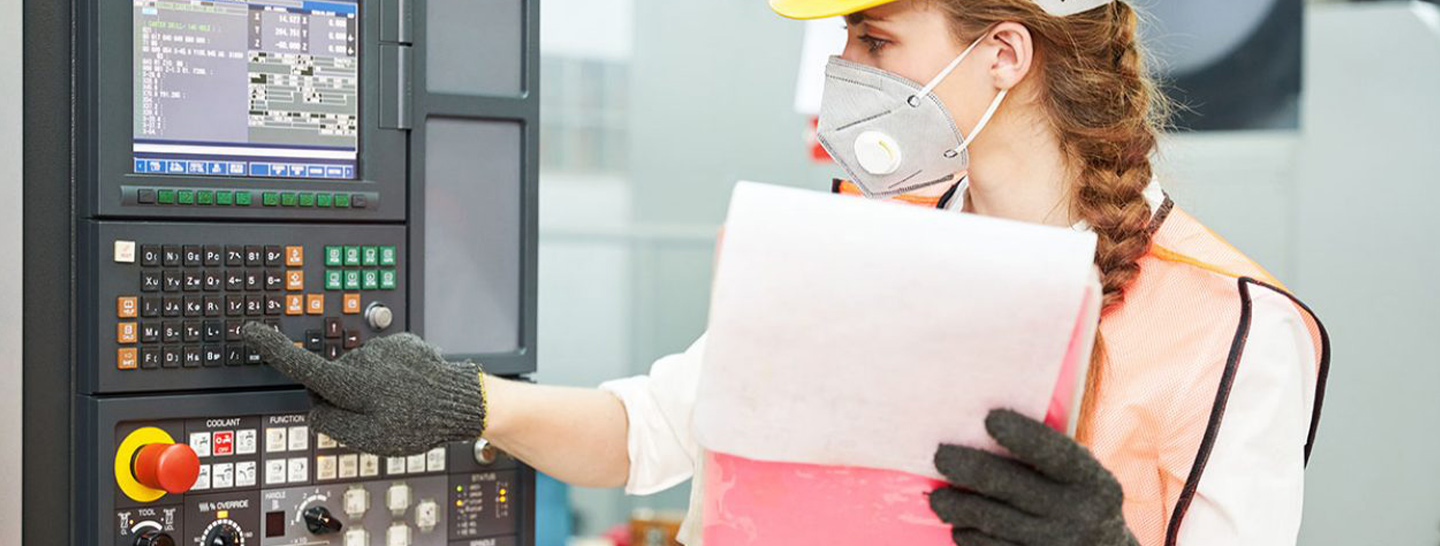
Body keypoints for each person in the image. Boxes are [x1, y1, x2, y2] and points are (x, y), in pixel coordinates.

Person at [242, 0, 1330, 544]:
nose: (842, 70)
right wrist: (464, 402)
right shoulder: (866, 240)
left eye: (875, 37)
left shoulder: (1232, 322)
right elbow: (658, 431)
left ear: (1002, 53)